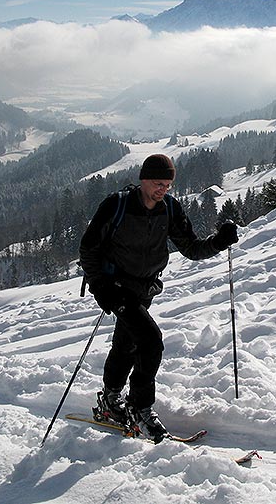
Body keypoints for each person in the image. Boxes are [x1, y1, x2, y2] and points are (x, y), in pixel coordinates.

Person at [79, 153, 239, 441]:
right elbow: (88, 247)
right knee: (150, 341)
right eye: (157, 183)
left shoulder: (170, 209)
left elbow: (191, 248)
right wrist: (100, 286)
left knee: (127, 343)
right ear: (143, 179)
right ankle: (139, 409)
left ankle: (110, 400)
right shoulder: (117, 205)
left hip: (144, 287)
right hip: (116, 286)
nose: (162, 189)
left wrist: (219, 241)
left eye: (167, 184)